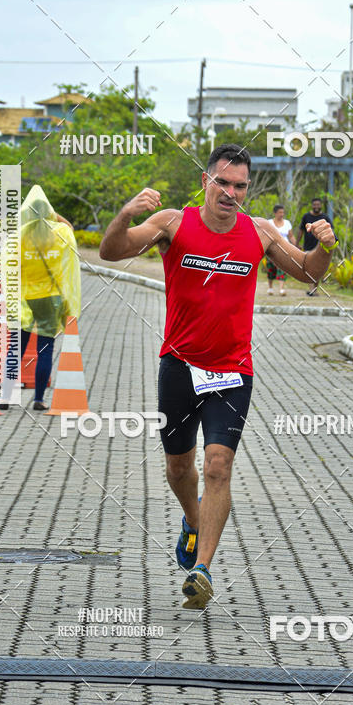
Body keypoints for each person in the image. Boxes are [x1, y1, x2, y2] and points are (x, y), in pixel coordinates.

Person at [99, 144, 337, 610]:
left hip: (232, 372)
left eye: (240, 186)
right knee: (178, 467)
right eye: (223, 183)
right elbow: (112, 252)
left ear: (248, 189)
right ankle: (193, 520)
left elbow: (310, 273)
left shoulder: (260, 232)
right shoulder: (173, 223)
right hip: (180, 368)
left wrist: (324, 246)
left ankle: (202, 570)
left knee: (218, 466)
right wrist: (125, 214)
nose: (231, 193)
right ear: (206, 181)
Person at [0, 186, 80, 410]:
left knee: (16, 349)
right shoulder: (59, 233)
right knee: (46, 348)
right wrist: (54, 216)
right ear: (50, 212)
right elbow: (70, 229)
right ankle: (39, 400)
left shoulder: (19, 236)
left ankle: (5, 397)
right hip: (50, 299)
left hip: (25, 298)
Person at [298, 198, 334, 296]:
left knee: (318, 270)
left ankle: (314, 290)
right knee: (309, 269)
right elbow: (301, 230)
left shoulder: (324, 217)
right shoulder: (306, 216)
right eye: (315, 205)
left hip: (320, 247)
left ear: (321, 205)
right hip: (308, 246)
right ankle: (312, 290)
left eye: (318, 205)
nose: (316, 206)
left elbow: (331, 230)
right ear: (312, 205)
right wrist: (297, 243)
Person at [266, 204, 296, 296]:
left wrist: (295, 246)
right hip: (271, 249)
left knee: (282, 268)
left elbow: (291, 236)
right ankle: (270, 288)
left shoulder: (287, 223)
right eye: (279, 212)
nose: (282, 214)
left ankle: (281, 289)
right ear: (275, 213)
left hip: (284, 249)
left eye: (283, 212)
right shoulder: (269, 223)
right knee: (271, 269)